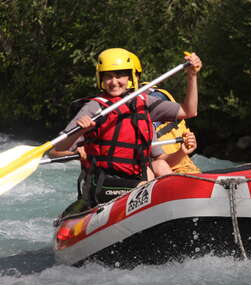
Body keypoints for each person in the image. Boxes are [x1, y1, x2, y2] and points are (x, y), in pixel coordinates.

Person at [48, 47, 202, 208]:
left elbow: (189, 110)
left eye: (119, 75)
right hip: (104, 186)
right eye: (108, 76)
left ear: (130, 77)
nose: (114, 82)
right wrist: (78, 135)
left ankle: (181, 208)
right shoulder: (94, 108)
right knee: (149, 174)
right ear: (100, 78)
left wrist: (192, 75)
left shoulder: (144, 104)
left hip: (136, 183)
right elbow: (55, 150)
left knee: (157, 167)